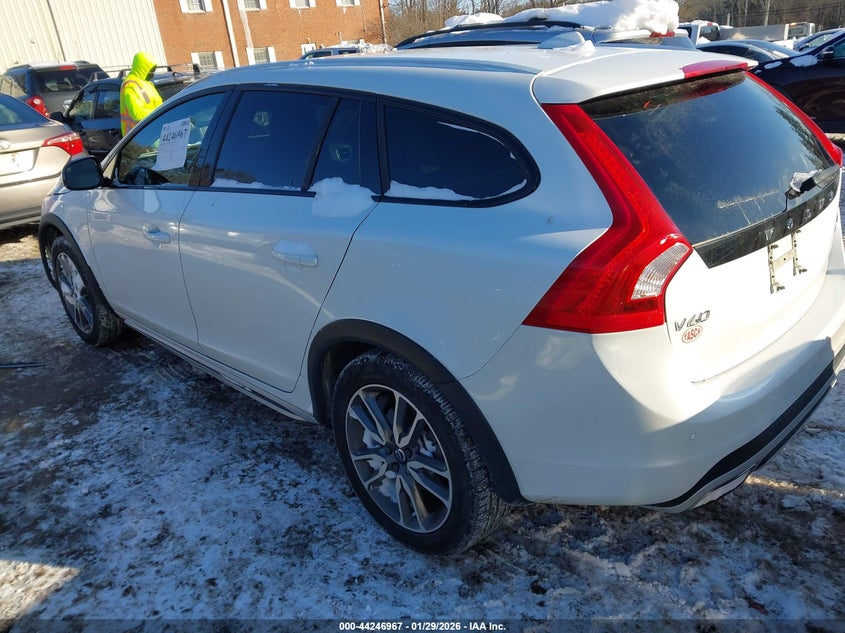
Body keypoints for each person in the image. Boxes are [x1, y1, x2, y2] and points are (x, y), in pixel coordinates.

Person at [120, 51, 163, 136]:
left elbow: (159, 104)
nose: (153, 73)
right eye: (151, 70)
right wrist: (160, 113)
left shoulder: (147, 84)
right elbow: (136, 113)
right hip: (138, 137)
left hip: (151, 132)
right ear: (143, 68)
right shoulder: (130, 85)